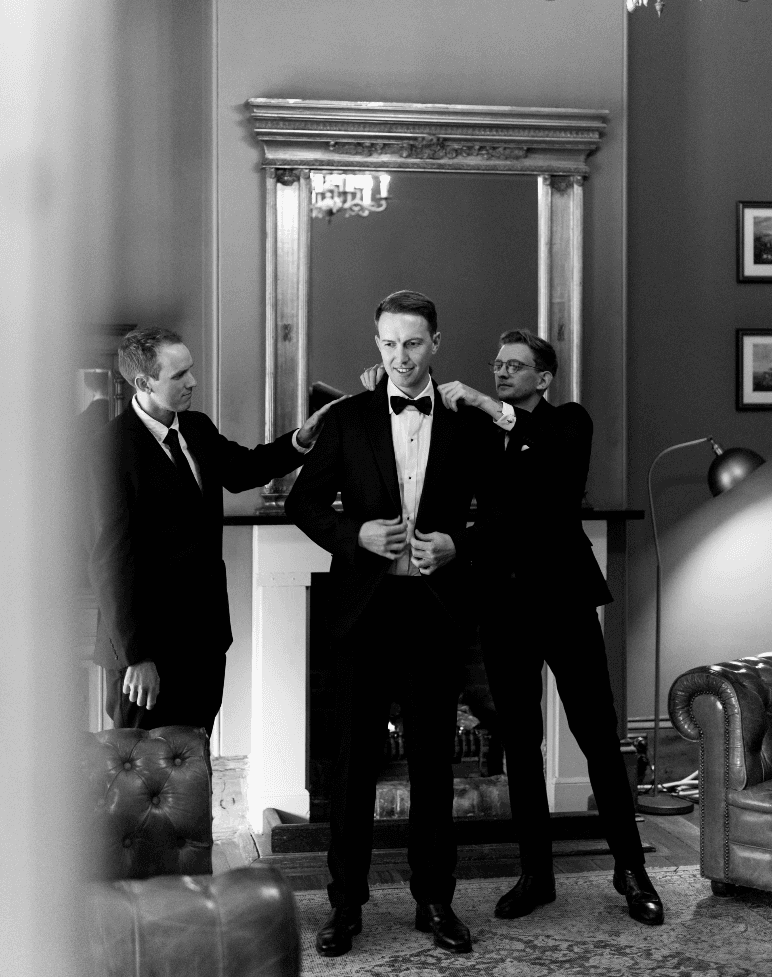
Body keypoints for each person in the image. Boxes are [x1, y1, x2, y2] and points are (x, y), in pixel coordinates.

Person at [436, 328, 664, 927]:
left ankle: (630, 868)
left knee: (596, 733)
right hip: (503, 602)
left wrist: (492, 406)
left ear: (544, 377)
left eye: (515, 365)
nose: (501, 371)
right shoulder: (481, 433)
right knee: (519, 742)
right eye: (496, 363)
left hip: (563, 600)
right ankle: (536, 874)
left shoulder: (568, 422)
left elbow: (558, 472)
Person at [285, 291, 480, 958]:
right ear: (377, 344)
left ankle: (436, 900)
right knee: (352, 767)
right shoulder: (346, 419)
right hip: (363, 613)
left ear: (436, 342)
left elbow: (500, 515)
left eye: (415, 343)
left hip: (436, 611)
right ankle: (346, 906)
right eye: (390, 344)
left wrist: (459, 544)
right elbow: (305, 503)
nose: (401, 357)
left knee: (432, 764)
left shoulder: (465, 423)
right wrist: (355, 534)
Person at [88, 325, 339, 736]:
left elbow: (244, 470)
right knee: (144, 774)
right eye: (179, 375)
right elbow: (110, 560)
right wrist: (137, 657)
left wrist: (299, 441)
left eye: (191, 370)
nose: (193, 381)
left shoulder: (197, 427)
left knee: (194, 759)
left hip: (204, 643)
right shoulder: (109, 450)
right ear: (143, 382)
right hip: (147, 653)